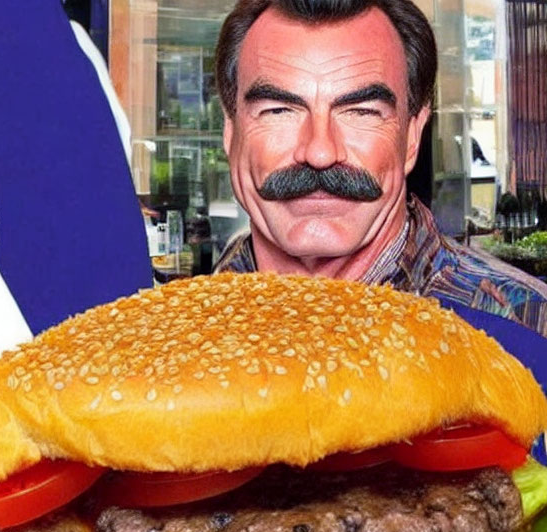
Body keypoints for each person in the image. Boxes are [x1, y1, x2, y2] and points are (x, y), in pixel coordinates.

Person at [211, 0, 547, 337]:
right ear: (230, 132)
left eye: (362, 112)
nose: (320, 151)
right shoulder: (165, 330)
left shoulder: (529, 330)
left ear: (412, 136)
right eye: (279, 111)